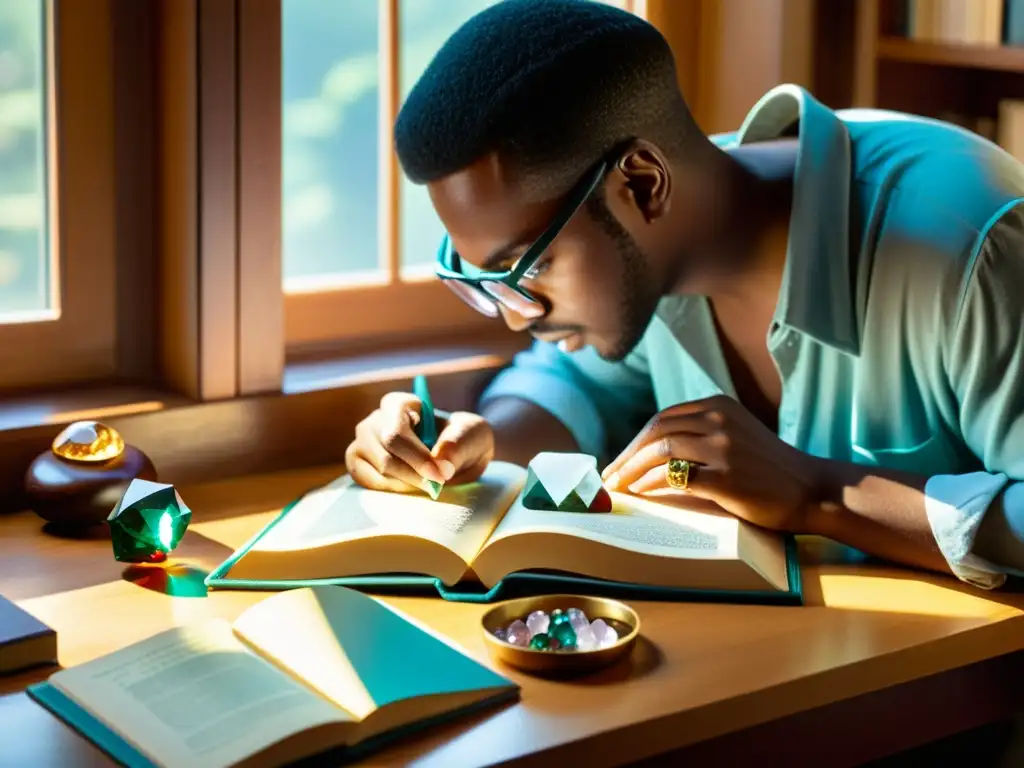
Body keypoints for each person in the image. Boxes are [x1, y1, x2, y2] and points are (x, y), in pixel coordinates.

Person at [344, 0, 1024, 589]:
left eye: (529, 267)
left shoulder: (974, 244)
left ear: (641, 184)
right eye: (486, 282)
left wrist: (818, 494)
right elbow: (571, 381)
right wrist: (479, 445)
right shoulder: (659, 248)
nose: (523, 317)